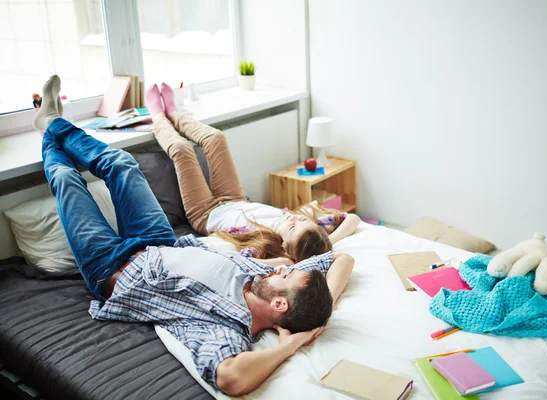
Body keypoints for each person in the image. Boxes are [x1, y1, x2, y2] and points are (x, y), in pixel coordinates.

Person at [33, 75, 355, 396]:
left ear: (280, 304)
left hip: (112, 270)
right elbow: (342, 258)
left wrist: (291, 344)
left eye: (289, 274)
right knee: (122, 163)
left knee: (66, 179)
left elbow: (231, 379)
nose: (285, 265)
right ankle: (52, 122)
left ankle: (49, 123)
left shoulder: (228, 329)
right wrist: (316, 313)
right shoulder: (260, 277)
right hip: (159, 239)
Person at [145, 82, 361, 263]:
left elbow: (246, 263)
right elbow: (351, 218)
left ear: (285, 245)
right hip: (234, 198)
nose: (295, 219)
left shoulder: (265, 245)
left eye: (293, 227)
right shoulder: (312, 232)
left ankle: (158, 116)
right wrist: (329, 243)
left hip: (205, 213)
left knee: (182, 150)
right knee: (216, 139)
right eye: (302, 221)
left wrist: (289, 261)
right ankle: (174, 113)